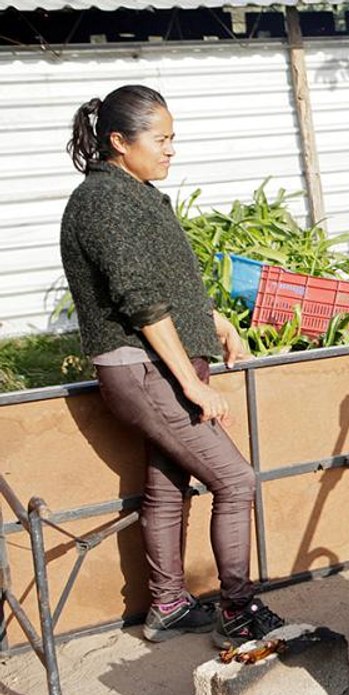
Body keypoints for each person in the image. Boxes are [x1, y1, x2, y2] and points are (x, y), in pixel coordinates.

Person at [60, 85, 286, 649]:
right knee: (235, 481)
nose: (170, 151)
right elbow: (139, 300)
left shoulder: (135, 195)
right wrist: (191, 385)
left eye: (172, 139)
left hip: (160, 364)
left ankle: (167, 604)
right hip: (147, 371)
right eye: (161, 140)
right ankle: (235, 609)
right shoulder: (104, 202)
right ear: (118, 141)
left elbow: (164, 285)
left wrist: (214, 321)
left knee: (166, 488)